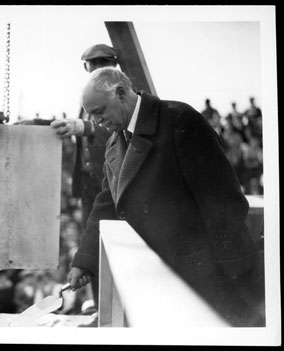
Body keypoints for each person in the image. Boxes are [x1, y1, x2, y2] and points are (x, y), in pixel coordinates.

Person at [67, 67, 264, 327]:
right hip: (157, 276)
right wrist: (85, 261)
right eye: (91, 114)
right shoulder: (115, 143)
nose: (96, 120)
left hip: (206, 277)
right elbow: (106, 204)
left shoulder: (180, 120)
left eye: (100, 111)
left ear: (122, 93)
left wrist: (231, 273)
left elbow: (223, 201)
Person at [16, 44, 118, 306]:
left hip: (111, 185)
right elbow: (81, 132)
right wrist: (39, 125)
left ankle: (106, 303)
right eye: (91, 65)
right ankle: (97, 302)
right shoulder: (89, 97)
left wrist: (83, 126)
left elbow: (114, 130)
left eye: (100, 64)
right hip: (90, 185)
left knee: (108, 247)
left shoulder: (118, 94)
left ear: (112, 65)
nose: (95, 69)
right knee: (90, 244)